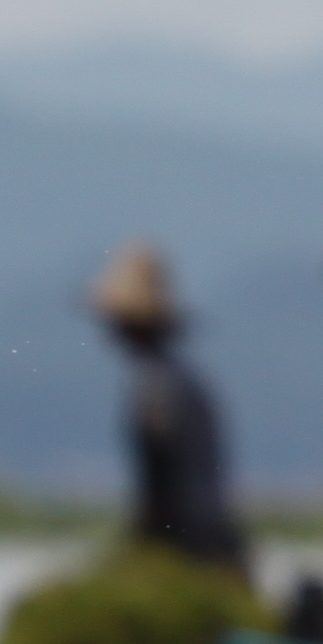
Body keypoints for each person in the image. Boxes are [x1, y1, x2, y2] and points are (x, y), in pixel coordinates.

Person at [88, 242, 246, 574]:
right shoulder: (182, 379)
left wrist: (140, 557)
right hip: (215, 544)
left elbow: (163, 495)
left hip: (193, 553)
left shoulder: (157, 388)